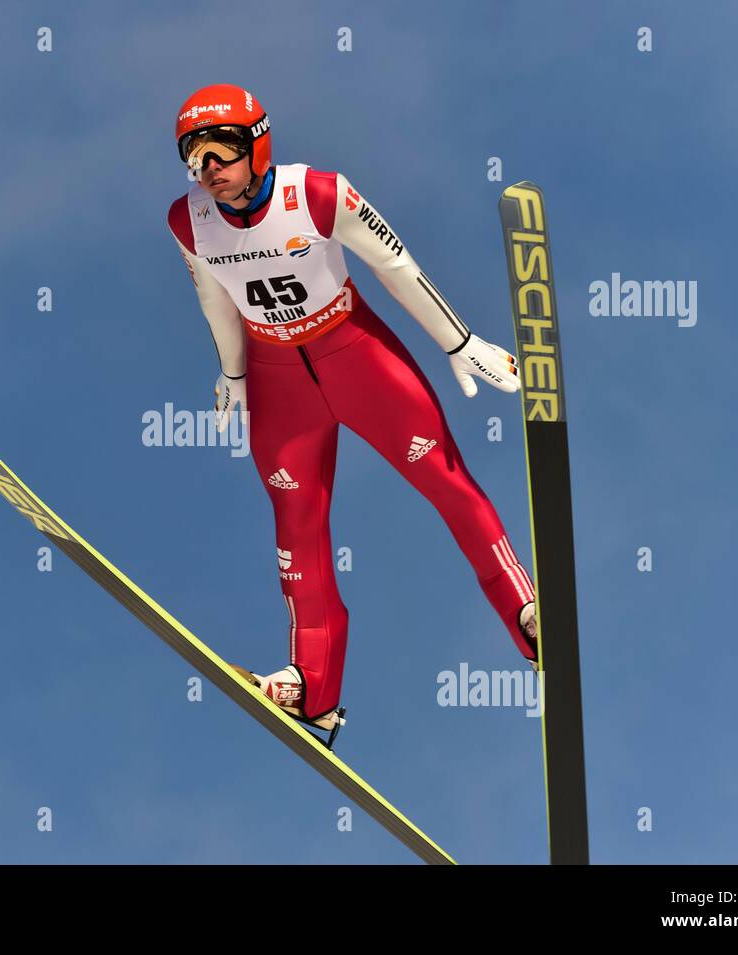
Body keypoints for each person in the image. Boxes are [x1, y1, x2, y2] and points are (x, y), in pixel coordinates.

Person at [167, 83, 538, 740]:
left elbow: (398, 269)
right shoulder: (187, 220)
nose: (208, 171)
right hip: (279, 379)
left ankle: (530, 616)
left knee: (446, 480)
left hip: (356, 354)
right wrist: (233, 373)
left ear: (258, 144)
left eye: (219, 152)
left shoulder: (318, 193)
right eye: (194, 159)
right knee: (296, 532)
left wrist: (460, 340)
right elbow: (215, 300)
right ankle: (313, 688)